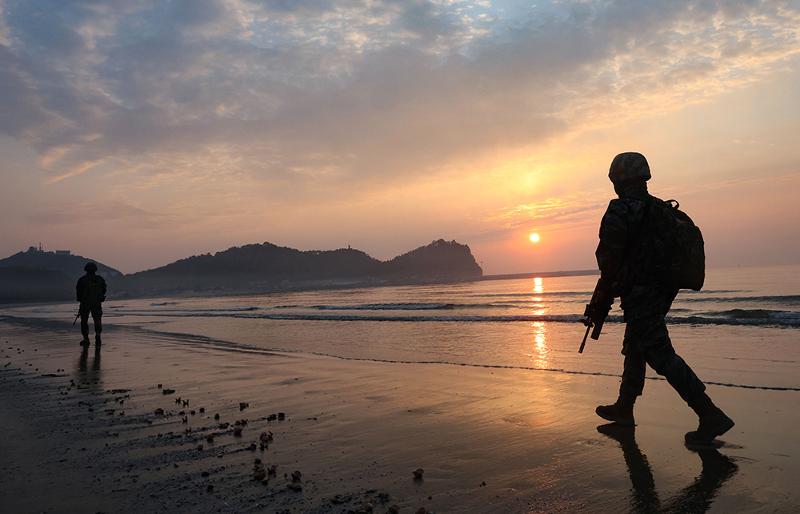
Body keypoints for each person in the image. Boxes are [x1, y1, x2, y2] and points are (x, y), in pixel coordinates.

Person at [588, 152, 734, 445]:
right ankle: (624, 408)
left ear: (618, 179)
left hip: (641, 292)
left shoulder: (621, 210)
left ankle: (709, 413)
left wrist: (601, 297)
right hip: (662, 291)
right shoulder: (662, 209)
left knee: (658, 352)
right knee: (636, 345)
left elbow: (609, 260)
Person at [76, 261, 106, 347]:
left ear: (86, 270)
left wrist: (81, 300)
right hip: (96, 303)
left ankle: (86, 339)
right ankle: (98, 334)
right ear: (95, 270)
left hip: (85, 303)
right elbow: (104, 290)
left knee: (84, 321)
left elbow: (78, 293)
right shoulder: (100, 279)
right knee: (97, 320)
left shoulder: (82, 280)